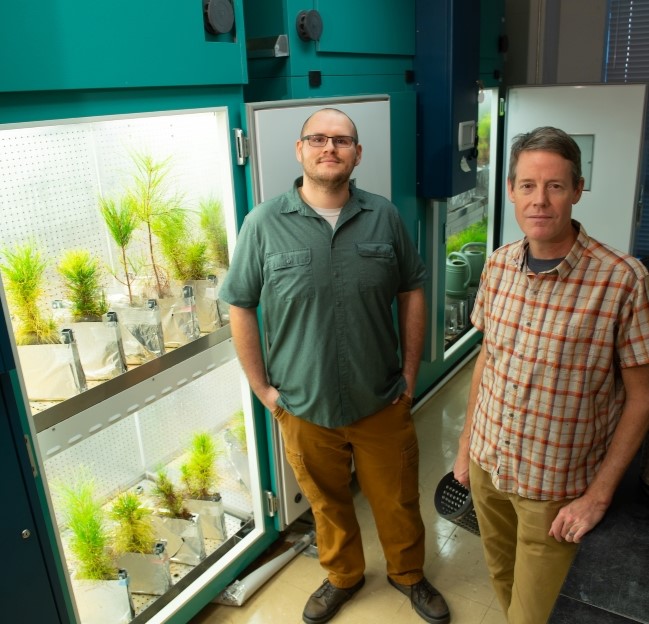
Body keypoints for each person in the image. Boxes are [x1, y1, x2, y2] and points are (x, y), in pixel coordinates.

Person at [219, 107, 450, 624]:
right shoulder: (263, 224)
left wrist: (410, 376)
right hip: (302, 403)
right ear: (300, 150)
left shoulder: (383, 216)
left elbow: (412, 289)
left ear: (357, 154)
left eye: (342, 141)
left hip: (381, 397)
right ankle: (343, 576)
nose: (330, 148)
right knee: (327, 504)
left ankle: (408, 573)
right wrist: (263, 391)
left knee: (396, 499)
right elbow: (240, 305)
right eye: (318, 139)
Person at [453, 126, 649, 624]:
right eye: (527, 186)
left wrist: (598, 496)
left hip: (554, 487)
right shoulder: (497, 266)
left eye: (555, 186)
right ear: (512, 191)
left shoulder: (622, 279)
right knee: (503, 580)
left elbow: (641, 399)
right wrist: (464, 448)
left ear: (577, 189)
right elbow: (487, 360)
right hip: (488, 466)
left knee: (532, 612)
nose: (540, 201)